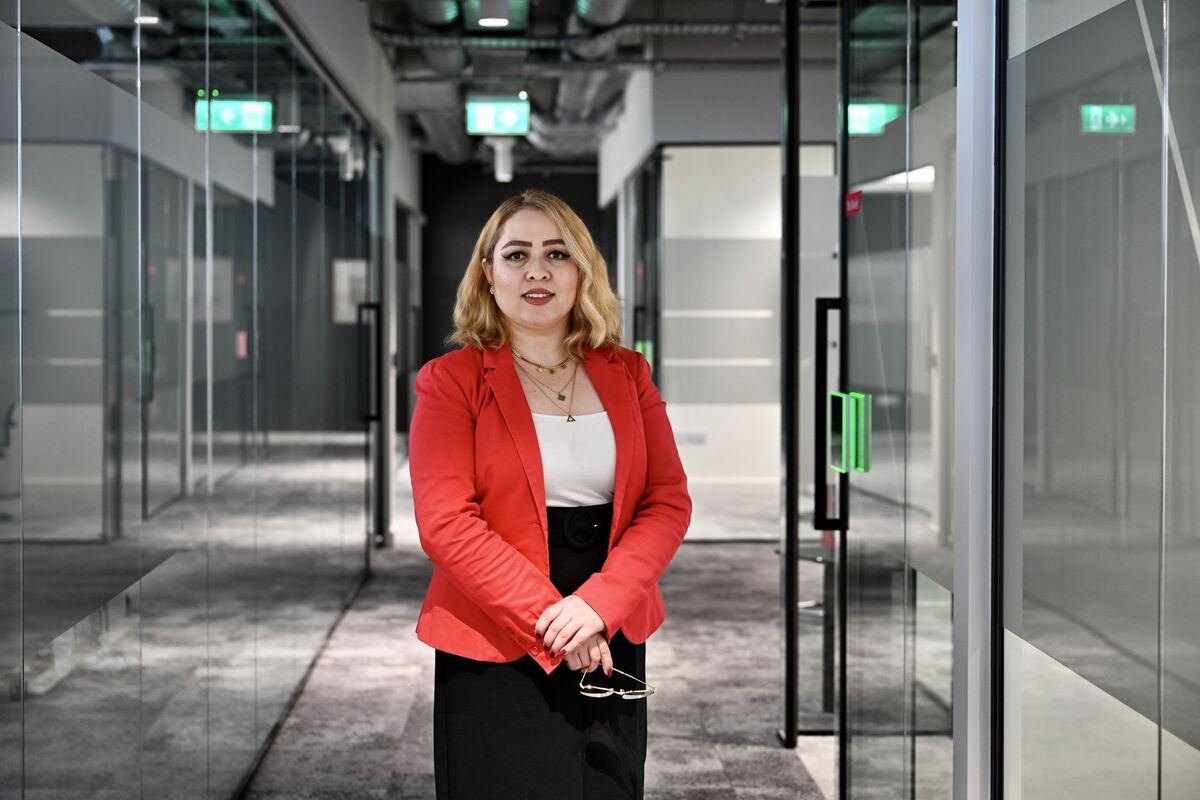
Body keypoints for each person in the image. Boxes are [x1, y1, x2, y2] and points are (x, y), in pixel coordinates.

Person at [408, 188, 692, 799]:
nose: (536, 270)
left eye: (556, 252)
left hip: (609, 620)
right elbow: (446, 523)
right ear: (488, 274)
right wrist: (553, 622)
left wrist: (596, 608)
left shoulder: (629, 373)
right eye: (516, 254)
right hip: (495, 630)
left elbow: (667, 501)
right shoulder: (451, 381)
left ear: (582, 269)